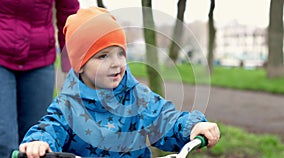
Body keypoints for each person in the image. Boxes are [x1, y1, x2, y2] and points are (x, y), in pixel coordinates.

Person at [19, 7, 220, 158]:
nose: (116, 63)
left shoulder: (138, 97)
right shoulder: (67, 106)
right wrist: (39, 142)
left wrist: (191, 127)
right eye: (103, 56)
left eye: (120, 54)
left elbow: (164, 119)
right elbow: (50, 127)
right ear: (80, 65)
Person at [0, 0, 79, 157]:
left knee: (38, 142)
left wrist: (71, 63)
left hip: (39, 58)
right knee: (1, 142)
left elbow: (68, 11)